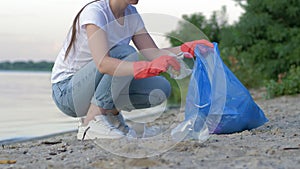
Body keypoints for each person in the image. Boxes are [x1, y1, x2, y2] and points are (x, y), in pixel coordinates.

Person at [51, 0, 213, 140]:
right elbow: (103, 64)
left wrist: (186, 48)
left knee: (160, 88)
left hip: (92, 88)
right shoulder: (96, 12)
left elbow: (153, 53)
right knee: (124, 52)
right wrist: (144, 67)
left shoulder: (132, 15)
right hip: (68, 92)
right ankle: (92, 122)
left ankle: (111, 118)